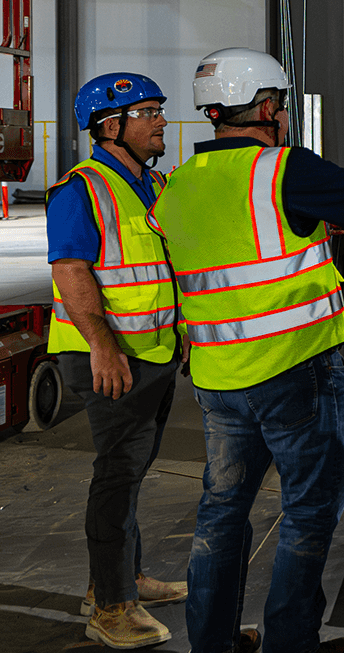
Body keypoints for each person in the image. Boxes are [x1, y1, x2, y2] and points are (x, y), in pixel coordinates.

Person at [146, 48, 344, 653]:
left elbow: (235, 246)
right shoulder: (281, 168)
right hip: (296, 372)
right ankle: (291, 642)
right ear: (268, 107)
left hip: (218, 378)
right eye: (281, 106)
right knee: (309, 512)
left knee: (221, 514)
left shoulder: (178, 185)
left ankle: (211, 644)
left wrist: (315, 225)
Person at [46, 72, 187, 650]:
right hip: (109, 358)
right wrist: (104, 346)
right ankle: (110, 607)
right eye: (146, 111)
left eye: (157, 109)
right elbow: (72, 271)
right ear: (111, 126)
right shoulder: (80, 189)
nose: (159, 120)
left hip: (150, 353)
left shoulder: (147, 184)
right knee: (117, 476)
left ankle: (121, 577)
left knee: (131, 473)